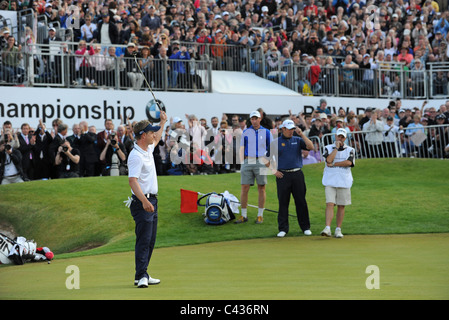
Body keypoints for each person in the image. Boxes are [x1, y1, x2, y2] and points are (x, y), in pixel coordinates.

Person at [127, 110, 167, 288]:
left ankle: (142, 273)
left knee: (150, 240)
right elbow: (132, 181)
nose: (153, 135)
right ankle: (140, 275)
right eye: (150, 132)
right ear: (143, 135)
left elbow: (157, 138)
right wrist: (144, 201)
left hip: (152, 201)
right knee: (143, 240)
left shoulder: (147, 147)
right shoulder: (135, 156)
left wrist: (163, 123)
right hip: (142, 202)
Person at [267, 119, 314, 237]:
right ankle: (283, 229)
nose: (291, 131)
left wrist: (302, 134)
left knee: (301, 201)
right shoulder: (275, 142)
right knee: (283, 202)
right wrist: (273, 171)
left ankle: (305, 227)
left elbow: (311, 147)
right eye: (289, 129)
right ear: (283, 129)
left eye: (293, 129)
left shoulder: (298, 140)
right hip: (283, 175)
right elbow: (265, 159)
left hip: (297, 174)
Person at [235, 110, 273, 224]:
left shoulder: (266, 132)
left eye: (256, 118)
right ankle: (244, 215)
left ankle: (260, 215)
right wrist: (243, 161)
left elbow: (271, 147)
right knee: (244, 187)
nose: (254, 120)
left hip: (261, 160)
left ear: (260, 119)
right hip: (248, 160)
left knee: (261, 187)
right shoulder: (246, 132)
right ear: (250, 120)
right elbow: (242, 147)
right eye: (252, 119)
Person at [320, 128, 355, 238]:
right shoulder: (328, 148)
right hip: (330, 180)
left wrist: (335, 164)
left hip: (344, 181)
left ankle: (338, 229)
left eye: (342, 137)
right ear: (336, 136)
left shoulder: (350, 149)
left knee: (341, 206)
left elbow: (349, 162)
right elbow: (328, 160)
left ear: (345, 138)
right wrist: (335, 148)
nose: (340, 138)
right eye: (338, 136)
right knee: (330, 204)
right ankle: (327, 228)